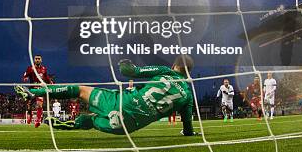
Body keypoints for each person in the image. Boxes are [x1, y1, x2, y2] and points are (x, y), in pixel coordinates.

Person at [16, 55, 197, 136]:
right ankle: (70, 123)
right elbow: (188, 128)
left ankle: (34, 92)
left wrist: (123, 62)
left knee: (80, 90)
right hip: (124, 127)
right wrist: (188, 133)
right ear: (188, 73)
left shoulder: (166, 71)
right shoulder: (187, 95)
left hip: (121, 102)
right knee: (93, 120)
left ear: (174, 66)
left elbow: (130, 71)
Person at [22, 55, 53, 128]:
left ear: (41, 60)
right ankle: (30, 116)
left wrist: (50, 83)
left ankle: (38, 120)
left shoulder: (44, 68)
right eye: (36, 59)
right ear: (34, 60)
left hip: (40, 89)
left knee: (39, 104)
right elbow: (25, 75)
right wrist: (25, 78)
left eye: (39, 59)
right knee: (29, 105)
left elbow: (47, 77)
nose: (37, 60)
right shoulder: (30, 68)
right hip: (32, 89)